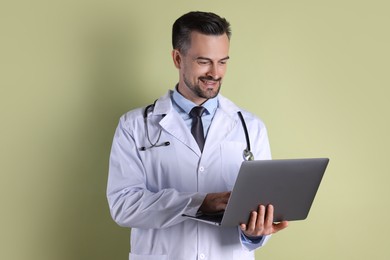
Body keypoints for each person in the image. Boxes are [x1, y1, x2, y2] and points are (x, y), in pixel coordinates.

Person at [107, 11, 288, 260]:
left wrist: (255, 234)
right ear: (177, 58)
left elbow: (260, 210)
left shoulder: (251, 126)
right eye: (204, 61)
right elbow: (123, 206)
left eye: (222, 61)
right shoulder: (135, 126)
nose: (215, 73)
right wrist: (200, 203)